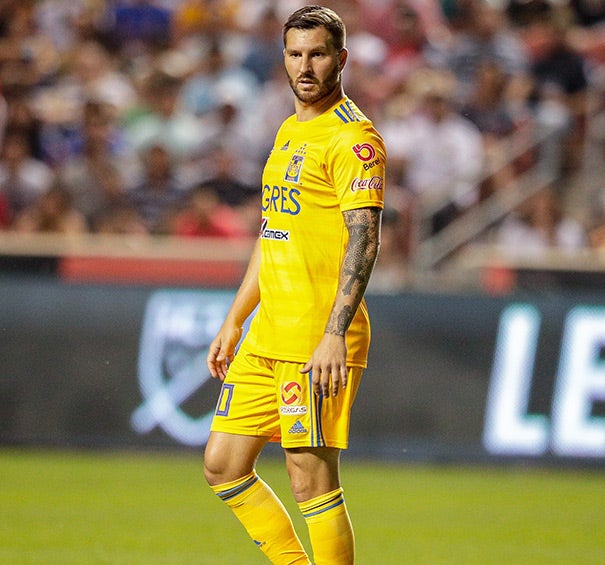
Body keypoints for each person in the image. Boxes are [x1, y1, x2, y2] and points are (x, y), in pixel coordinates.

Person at [203, 6, 384, 564]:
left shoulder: (354, 139)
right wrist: (236, 318)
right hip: (267, 333)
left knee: (310, 478)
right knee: (223, 464)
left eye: (318, 54)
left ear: (342, 59)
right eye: (295, 53)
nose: (305, 66)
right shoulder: (288, 129)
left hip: (315, 337)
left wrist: (335, 333)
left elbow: (364, 240)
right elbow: (272, 233)